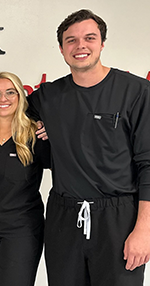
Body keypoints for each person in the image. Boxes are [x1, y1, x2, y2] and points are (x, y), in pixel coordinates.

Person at [27, 9, 150, 285]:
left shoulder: (137, 92)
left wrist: (145, 231)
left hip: (118, 219)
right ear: (61, 49)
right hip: (63, 217)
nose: (80, 46)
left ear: (102, 43)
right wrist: (33, 124)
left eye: (89, 38)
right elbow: (5, 109)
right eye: (71, 40)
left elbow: (148, 164)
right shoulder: (47, 96)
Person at [0, 72, 49, 286]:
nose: (2, 99)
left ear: (20, 97)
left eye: (9, 93)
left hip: (21, 227)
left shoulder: (35, 134)